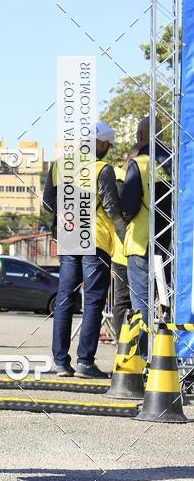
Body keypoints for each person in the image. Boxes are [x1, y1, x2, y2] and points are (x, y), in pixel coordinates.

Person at [42, 121, 126, 378]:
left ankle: (60, 363)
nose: (107, 149)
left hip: (68, 239)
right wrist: (125, 235)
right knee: (92, 301)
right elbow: (112, 209)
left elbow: (47, 203)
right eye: (106, 145)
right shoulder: (103, 169)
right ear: (100, 142)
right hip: (96, 241)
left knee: (65, 298)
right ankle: (85, 363)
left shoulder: (59, 164)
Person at [121, 116, 172, 355]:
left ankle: (142, 358)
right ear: (160, 135)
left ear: (141, 136)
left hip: (141, 244)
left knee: (141, 303)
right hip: (169, 246)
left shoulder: (139, 164)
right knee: (167, 302)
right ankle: (168, 357)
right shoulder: (175, 163)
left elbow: (128, 206)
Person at [110, 147, 139, 339]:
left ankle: (123, 341)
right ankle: (124, 341)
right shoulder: (122, 182)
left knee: (124, 300)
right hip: (126, 250)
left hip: (121, 250)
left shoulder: (113, 177)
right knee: (126, 300)